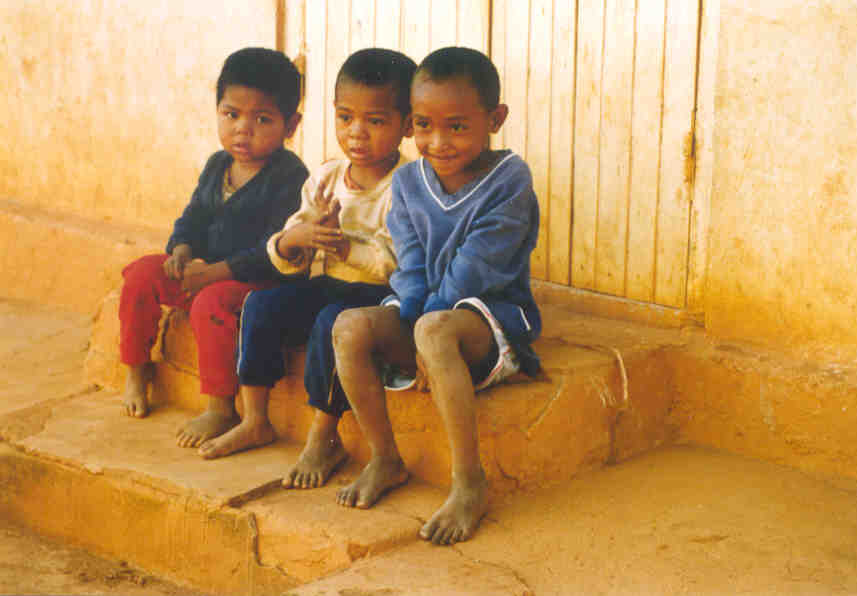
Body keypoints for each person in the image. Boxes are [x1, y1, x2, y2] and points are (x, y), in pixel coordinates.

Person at [331, 47, 542, 546]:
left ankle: (469, 482)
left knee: (433, 327)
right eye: (423, 124)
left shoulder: (509, 181)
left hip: (490, 317)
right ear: (409, 123)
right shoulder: (407, 182)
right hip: (429, 316)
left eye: (457, 126)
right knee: (349, 326)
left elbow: (475, 271)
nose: (438, 141)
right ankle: (385, 458)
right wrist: (410, 318)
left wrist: (423, 329)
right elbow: (411, 265)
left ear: (495, 119)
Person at [195, 48, 417, 480]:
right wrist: (301, 240)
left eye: (375, 121)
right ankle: (255, 419)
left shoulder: (406, 186)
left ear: (406, 125)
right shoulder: (327, 177)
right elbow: (291, 257)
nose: (357, 133)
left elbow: (397, 266)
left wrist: (341, 246)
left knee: (331, 323)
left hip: (376, 298)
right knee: (261, 306)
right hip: (330, 282)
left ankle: (323, 437)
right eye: (345, 118)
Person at [119, 48, 308, 443]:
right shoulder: (216, 166)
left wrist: (215, 274)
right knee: (140, 274)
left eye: (262, 119)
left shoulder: (290, 177)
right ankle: (137, 368)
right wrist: (182, 248)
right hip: (202, 272)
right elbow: (193, 216)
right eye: (231, 114)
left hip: (255, 286)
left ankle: (221, 408)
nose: (242, 129)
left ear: (291, 125)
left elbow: (273, 253)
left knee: (211, 303)